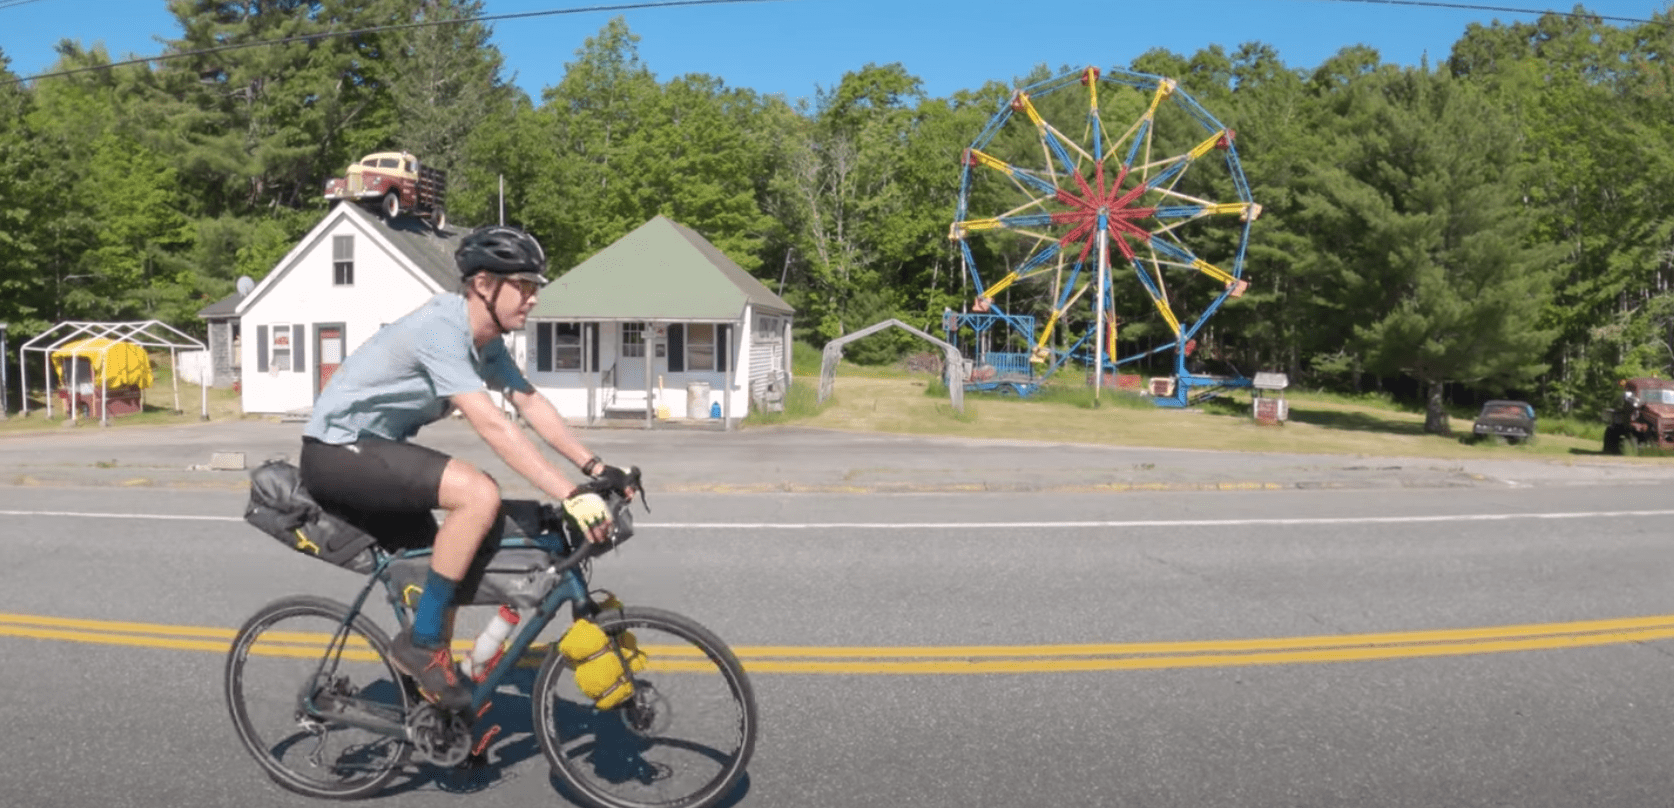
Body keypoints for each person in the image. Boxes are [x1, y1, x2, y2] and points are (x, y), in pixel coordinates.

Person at [299, 224, 626, 709]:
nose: (533, 298)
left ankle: (437, 714)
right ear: (484, 285)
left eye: (536, 287)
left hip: (376, 451)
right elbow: (494, 426)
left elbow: (529, 403)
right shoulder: (442, 329)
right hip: (335, 452)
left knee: (445, 565)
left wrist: (596, 467)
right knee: (477, 493)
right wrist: (569, 493)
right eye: (524, 286)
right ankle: (423, 645)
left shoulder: (486, 343)